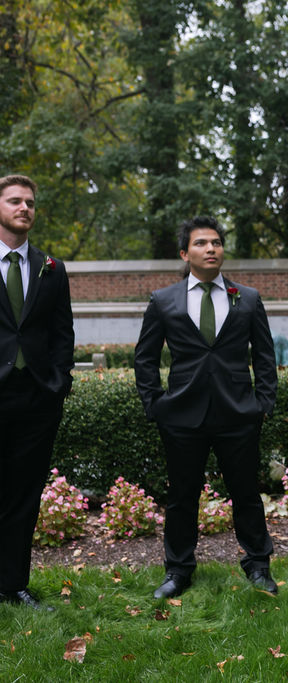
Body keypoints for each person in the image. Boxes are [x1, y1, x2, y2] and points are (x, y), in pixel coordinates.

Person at [135, 216, 278, 599]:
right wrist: (155, 405)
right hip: (181, 416)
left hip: (239, 414)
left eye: (216, 242)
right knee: (182, 497)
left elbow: (265, 356)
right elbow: (145, 358)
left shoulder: (248, 298)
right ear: (185, 254)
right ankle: (178, 570)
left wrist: (263, 404)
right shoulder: (164, 300)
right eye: (201, 243)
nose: (211, 248)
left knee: (246, 493)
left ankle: (258, 565)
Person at [0, 174, 74, 611]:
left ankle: (13, 584)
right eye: (14, 201)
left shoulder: (52, 269)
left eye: (29, 202)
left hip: (37, 401)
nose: (24, 208)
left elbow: (63, 332)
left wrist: (59, 383)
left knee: (23, 496)